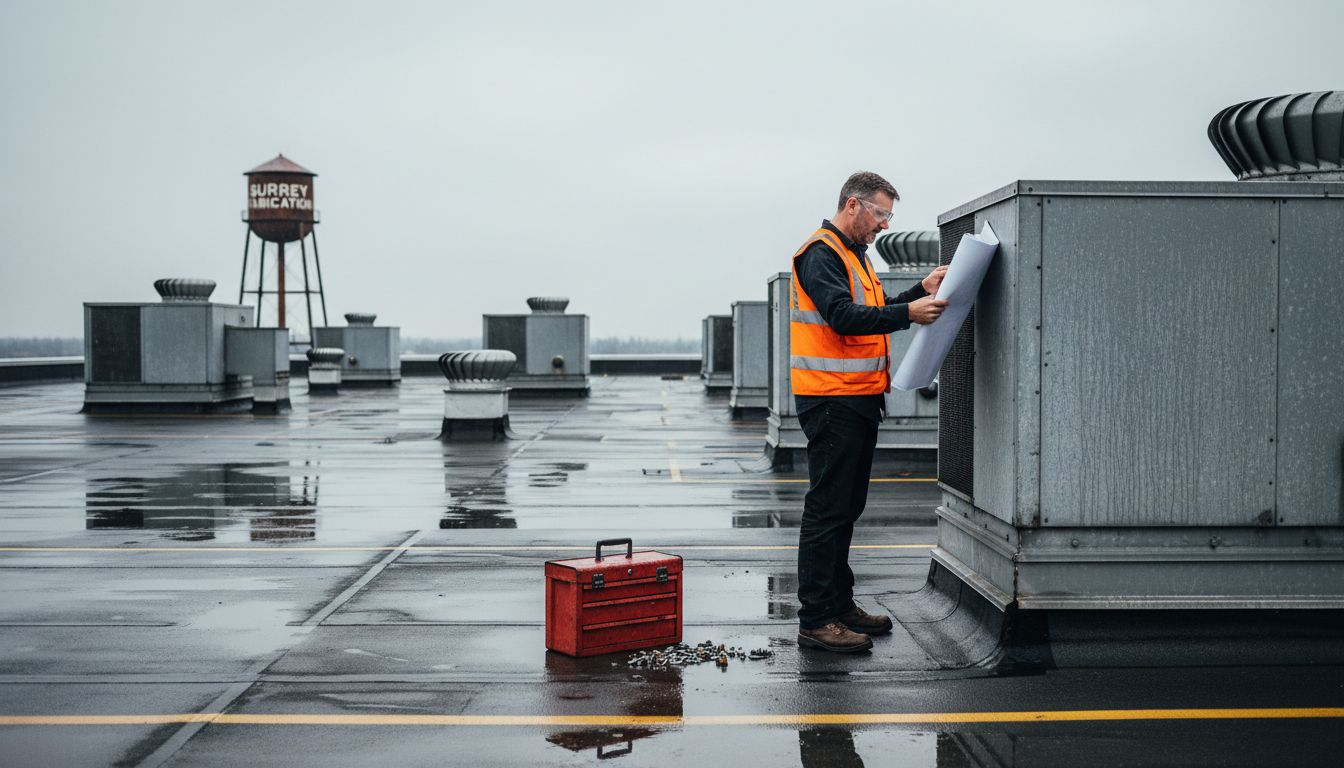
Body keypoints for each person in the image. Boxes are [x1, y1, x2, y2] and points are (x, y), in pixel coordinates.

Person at [791, 171, 948, 653]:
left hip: (856, 398)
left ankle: (839, 603)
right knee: (828, 509)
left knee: (846, 508)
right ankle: (816, 619)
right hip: (831, 399)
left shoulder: (854, 256)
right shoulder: (821, 253)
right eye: (880, 214)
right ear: (853, 206)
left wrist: (915, 293)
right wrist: (908, 314)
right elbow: (843, 317)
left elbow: (872, 314)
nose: (883, 225)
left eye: (889, 217)